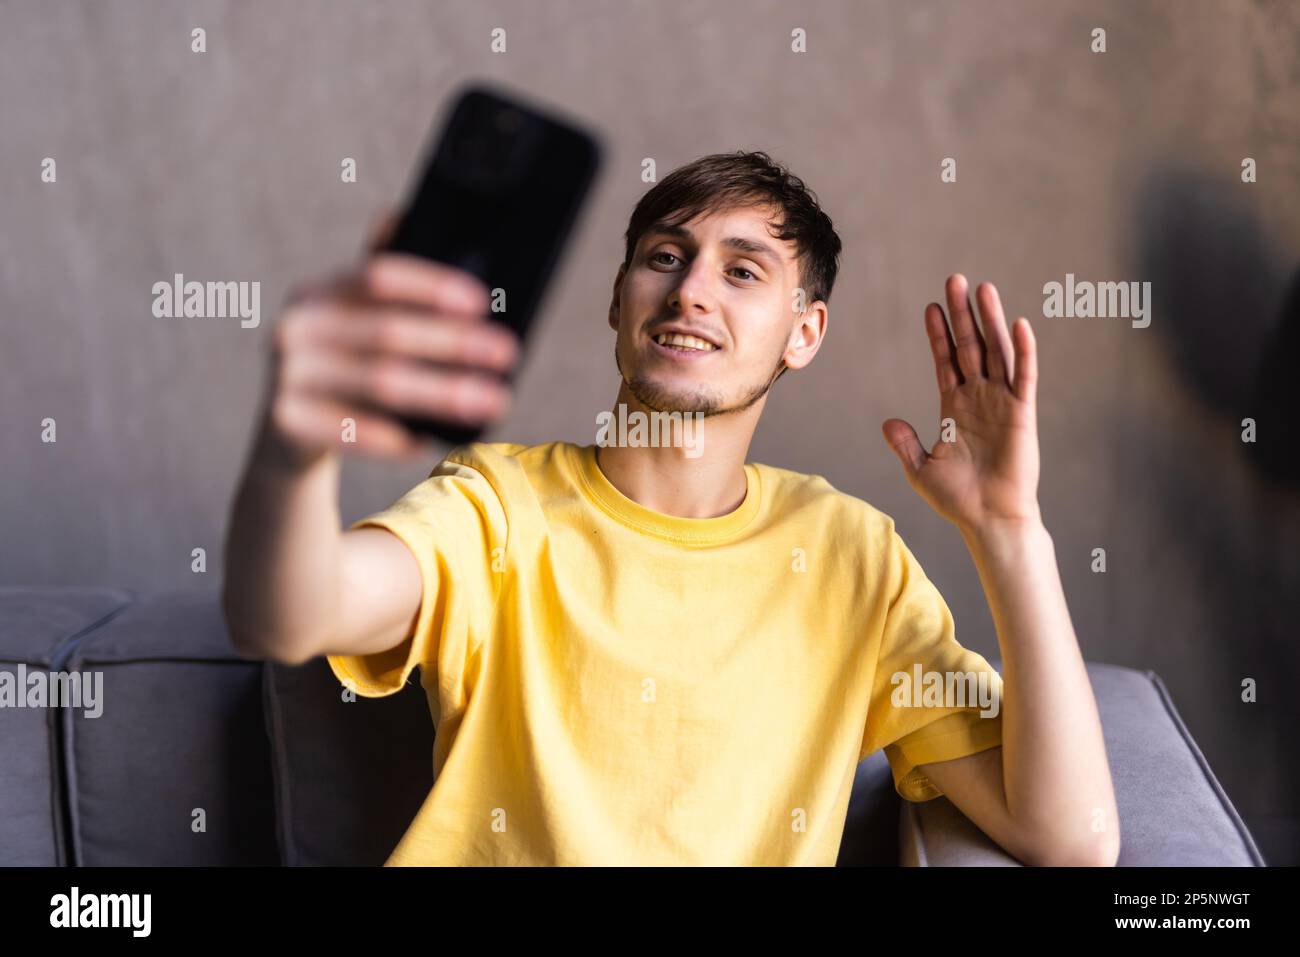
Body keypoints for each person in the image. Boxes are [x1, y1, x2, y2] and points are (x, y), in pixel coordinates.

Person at [221, 150, 1118, 866]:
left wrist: (1010, 533)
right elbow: (291, 613)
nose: (691, 289)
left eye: (742, 272)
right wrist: (292, 449)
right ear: (619, 300)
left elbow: (1071, 840)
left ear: (803, 333)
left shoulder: (851, 555)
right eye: (665, 257)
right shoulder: (498, 505)